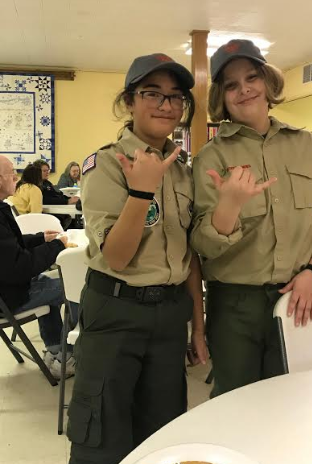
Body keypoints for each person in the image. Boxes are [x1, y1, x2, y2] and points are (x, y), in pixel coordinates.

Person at [67, 53, 207, 464]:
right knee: (101, 439)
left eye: (175, 97)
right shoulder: (106, 164)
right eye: (152, 94)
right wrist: (142, 191)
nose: (166, 105)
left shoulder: (183, 170)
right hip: (114, 312)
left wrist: (197, 327)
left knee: (162, 434)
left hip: (168, 316)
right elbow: (118, 256)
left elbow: (189, 255)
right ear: (129, 101)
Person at [191, 39, 312, 398]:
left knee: (295, 396)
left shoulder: (309, 145)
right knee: (236, 400)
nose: (244, 89)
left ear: (267, 82)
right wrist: (228, 205)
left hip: (300, 294)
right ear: (221, 97)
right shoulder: (211, 158)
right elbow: (202, 245)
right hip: (235, 305)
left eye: (252, 77)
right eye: (231, 84)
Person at [0, 155, 77, 379]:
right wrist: (55, 246)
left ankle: (55, 351)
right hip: (9, 297)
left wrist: (40, 238)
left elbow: (11, 246)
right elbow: (20, 266)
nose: (16, 176)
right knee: (75, 287)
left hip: (7, 289)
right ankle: (67, 356)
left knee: (52, 288)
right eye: (11, 172)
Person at [33, 159, 79, 229]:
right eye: (44, 171)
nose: (47, 173)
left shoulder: (47, 183)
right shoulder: (35, 186)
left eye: (48, 170)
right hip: (45, 215)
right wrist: (67, 201)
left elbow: (57, 194)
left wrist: (69, 199)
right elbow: (45, 199)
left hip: (54, 212)